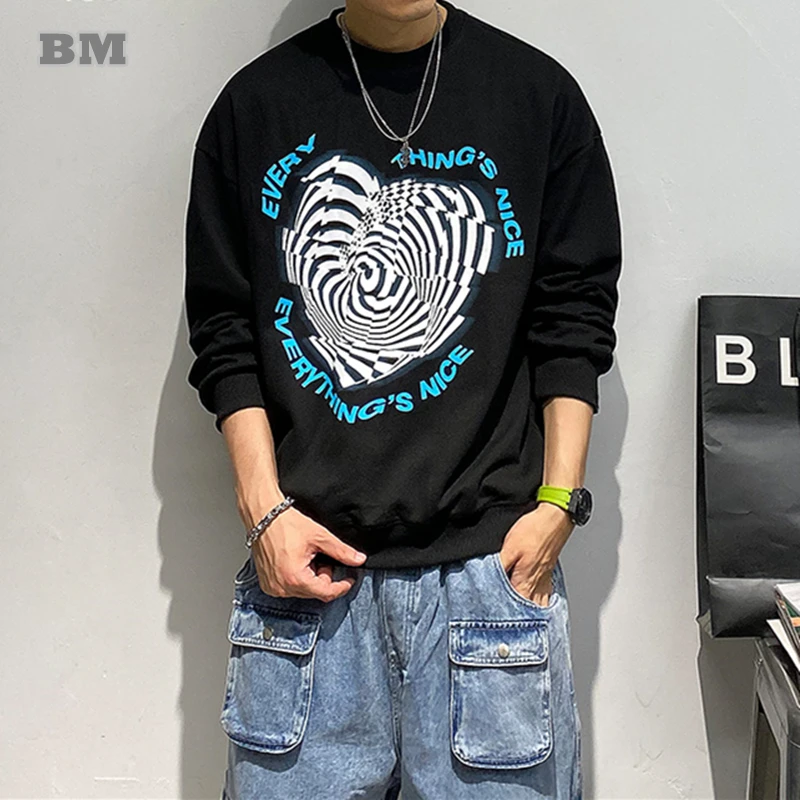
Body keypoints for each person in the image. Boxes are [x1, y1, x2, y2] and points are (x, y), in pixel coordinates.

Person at [184, 1, 621, 797]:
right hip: (307, 591)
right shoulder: (256, 106)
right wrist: (263, 511)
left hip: (489, 588)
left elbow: (573, 320)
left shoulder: (536, 97)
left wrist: (559, 503)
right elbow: (224, 330)